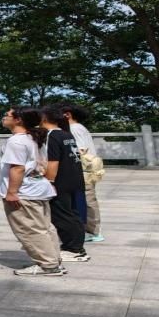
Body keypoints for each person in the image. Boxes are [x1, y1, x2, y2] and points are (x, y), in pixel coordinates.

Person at [0, 107, 64, 277]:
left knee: (29, 229)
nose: (4, 117)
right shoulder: (33, 137)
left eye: (7, 115)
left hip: (24, 191)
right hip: (38, 187)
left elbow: (18, 168)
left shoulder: (17, 141)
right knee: (44, 227)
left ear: (18, 120)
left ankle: (48, 265)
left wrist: (12, 192)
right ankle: (54, 260)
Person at [41, 104, 90, 262]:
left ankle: (73, 249)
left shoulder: (52, 136)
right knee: (72, 214)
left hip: (60, 182)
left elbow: (53, 162)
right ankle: (76, 246)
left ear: (44, 118)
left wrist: (49, 182)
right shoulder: (65, 134)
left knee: (62, 216)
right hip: (74, 179)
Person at [62, 103, 105, 242]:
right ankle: (91, 230)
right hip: (87, 169)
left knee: (87, 200)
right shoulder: (79, 127)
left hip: (84, 170)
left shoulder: (74, 129)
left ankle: (93, 231)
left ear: (67, 114)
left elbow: (81, 150)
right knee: (87, 200)